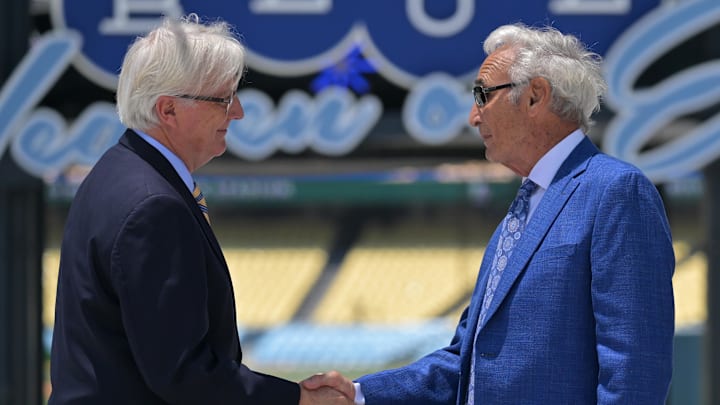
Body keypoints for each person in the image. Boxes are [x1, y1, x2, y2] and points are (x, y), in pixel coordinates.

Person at [303, 22, 675, 404]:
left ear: (535, 96)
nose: (473, 116)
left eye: (482, 95)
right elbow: (464, 363)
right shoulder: (523, 210)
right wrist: (359, 395)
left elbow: (635, 369)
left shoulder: (616, 191)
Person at [48, 14, 348, 404]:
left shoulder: (115, 172)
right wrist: (298, 400)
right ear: (168, 110)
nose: (238, 111)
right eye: (223, 99)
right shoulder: (153, 207)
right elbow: (183, 374)